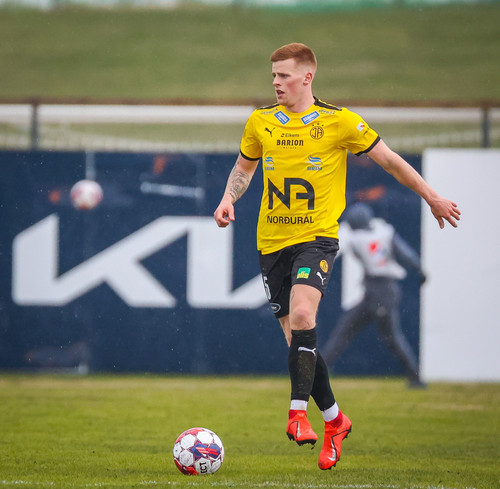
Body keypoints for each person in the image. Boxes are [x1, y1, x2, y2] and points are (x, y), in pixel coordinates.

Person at [213, 42, 460, 470]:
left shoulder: (339, 121)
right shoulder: (260, 122)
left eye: (284, 75)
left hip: (317, 239)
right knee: (299, 345)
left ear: (307, 77)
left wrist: (432, 196)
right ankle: (335, 420)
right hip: (271, 243)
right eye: (273, 76)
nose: (276, 83)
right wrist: (227, 198)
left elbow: (390, 161)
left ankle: (296, 414)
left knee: (303, 316)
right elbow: (244, 167)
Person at [322, 202, 427, 388]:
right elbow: (406, 254)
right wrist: (419, 269)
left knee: (389, 337)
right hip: (380, 290)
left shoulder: (356, 239)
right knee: (347, 329)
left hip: (380, 292)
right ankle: (320, 369)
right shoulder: (385, 232)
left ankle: (416, 377)